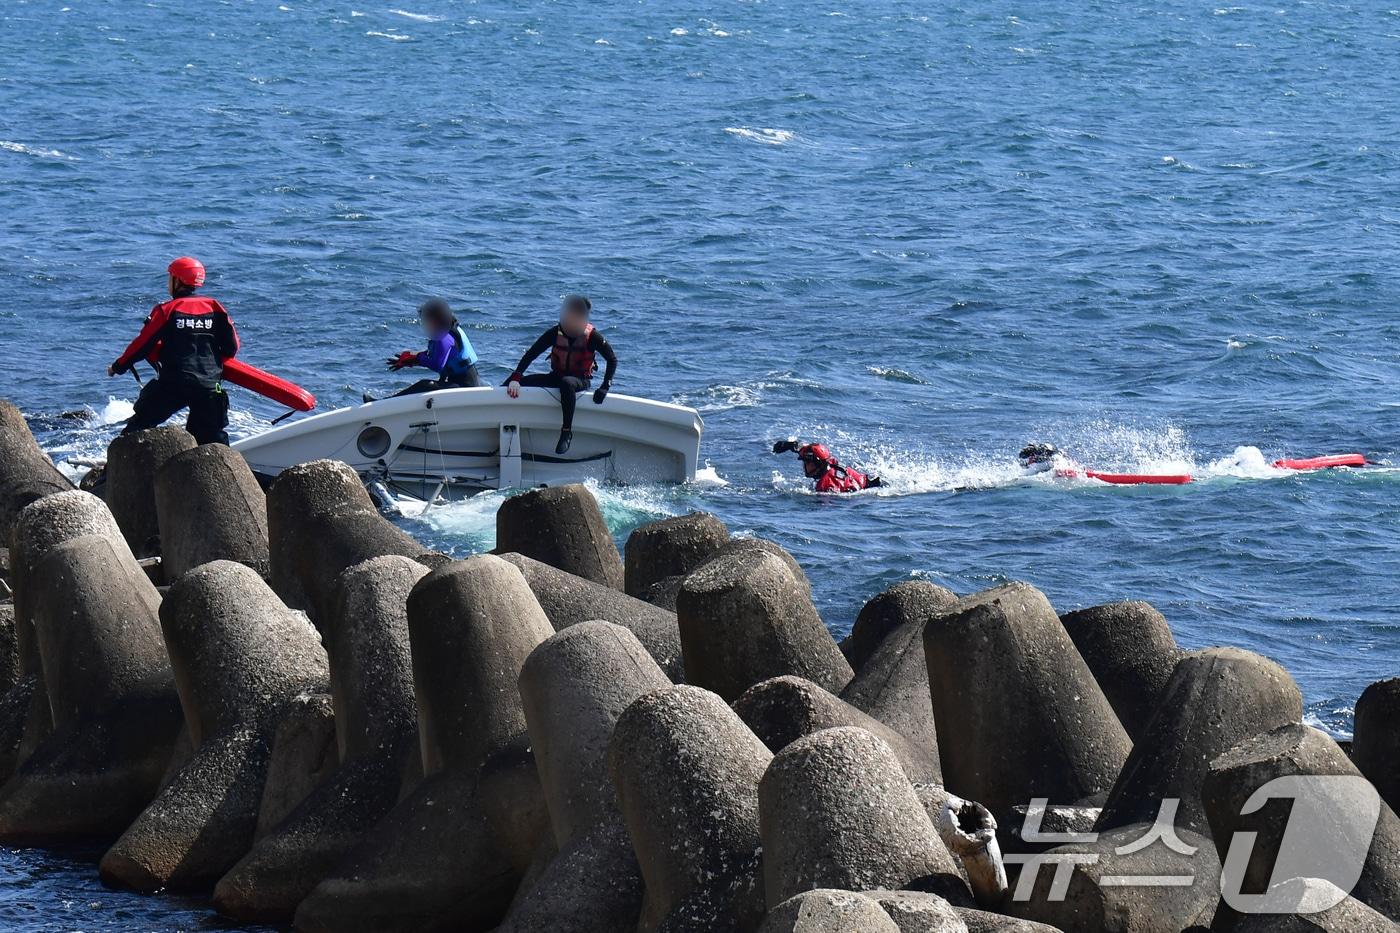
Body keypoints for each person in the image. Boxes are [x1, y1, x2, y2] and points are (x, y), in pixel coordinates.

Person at [108, 256, 239, 445]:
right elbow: (232, 347)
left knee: (136, 430)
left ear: (177, 281)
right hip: (209, 385)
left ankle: (111, 474)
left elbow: (142, 345)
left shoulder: (167, 310)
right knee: (211, 440)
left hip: (174, 383)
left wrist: (118, 367)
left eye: (170, 277)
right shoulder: (215, 307)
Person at [505, 295, 617, 455]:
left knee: (567, 383)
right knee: (516, 380)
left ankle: (566, 432)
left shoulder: (592, 337)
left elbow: (612, 359)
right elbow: (532, 353)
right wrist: (516, 378)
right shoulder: (555, 332)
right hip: (556, 376)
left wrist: (605, 386)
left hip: (580, 380)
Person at [373, 298, 481, 400]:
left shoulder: (445, 338)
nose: (427, 325)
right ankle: (387, 401)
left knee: (425, 385)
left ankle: (380, 404)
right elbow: (435, 356)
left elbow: (437, 364)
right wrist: (411, 361)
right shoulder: (444, 333)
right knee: (424, 388)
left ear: (439, 320)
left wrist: (418, 358)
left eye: (428, 321)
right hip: (458, 384)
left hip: (466, 387)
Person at [772, 438, 882, 492]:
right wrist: (789, 445)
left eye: (807, 462)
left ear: (818, 463)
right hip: (868, 480)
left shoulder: (826, 486)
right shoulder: (829, 462)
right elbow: (805, 448)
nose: (804, 465)